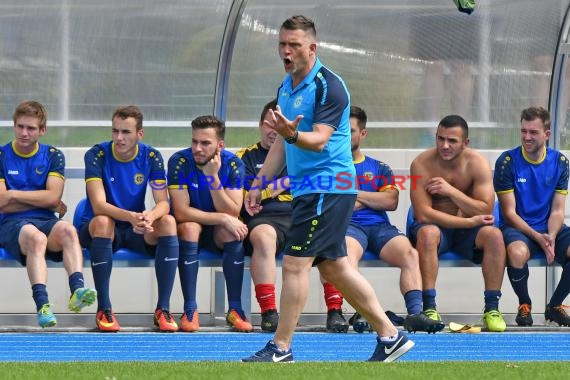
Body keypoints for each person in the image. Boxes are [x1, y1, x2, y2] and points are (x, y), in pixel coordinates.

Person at [242, 15, 414, 362]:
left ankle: (281, 347)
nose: (286, 52)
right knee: (334, 267)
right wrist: (260, 183)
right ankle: (390, 336)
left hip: (328, 187)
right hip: (311, 189)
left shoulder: (328, 86)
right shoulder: (287, 86)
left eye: (294, 45)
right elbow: (281, 145)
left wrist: (291, 134)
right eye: (282, 45)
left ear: (312, 48)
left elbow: (318, 141)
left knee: (293, 264)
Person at [321, 106, 445, 334]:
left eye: (350, 131)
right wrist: (371, 198)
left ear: (363, 134)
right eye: (340, 131)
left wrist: (353, 193)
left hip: (379, 227)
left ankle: (415, 314)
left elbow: (391, 201)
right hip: (349, 226)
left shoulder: (379, 168)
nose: (344, 136)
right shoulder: (328, 166)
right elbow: (332, 203)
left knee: (410, 254)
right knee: (346, 257)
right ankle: (364, 312)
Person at [78, 105, 179, 332]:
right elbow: (98, 205)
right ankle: (104, 309)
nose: (119, 138)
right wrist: (131, 217)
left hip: (134, 228)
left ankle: (163, 309)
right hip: (99, 228)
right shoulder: (97, 155)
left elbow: (163, 202)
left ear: (139, 134)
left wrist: (149, 217)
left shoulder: (152, 156)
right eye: (115, 131)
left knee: (168, 222)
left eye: (126, 132)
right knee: (104, 221)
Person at [0, 100, 97, 327]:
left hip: (45, 220)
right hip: (10, 224)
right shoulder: (2, 155)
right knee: (36, 237)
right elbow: (2, 204)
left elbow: (53, 198)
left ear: (42, 130)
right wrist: (44, 200)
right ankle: (42, 305)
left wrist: (14, 195)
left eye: (31, 128)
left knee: (68, 230)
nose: (24, 133)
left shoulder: (53, 156)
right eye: (20, 127)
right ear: (14, 126)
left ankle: (77, 290)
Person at [408, 114, 507, 332]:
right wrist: (468, 221)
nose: (445, 145)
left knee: (495, 236)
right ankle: (429, 307)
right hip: (438, 231)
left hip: (467, 233)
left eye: (452, 140)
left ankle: (492, 308)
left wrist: (450, 191)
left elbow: (486, 209)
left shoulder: (478, 163)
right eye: (440, 138)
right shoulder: (420, 164)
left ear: (465, 143)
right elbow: (423, 214)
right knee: (427, 233)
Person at [167, 115, 253, 333]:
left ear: (220, 145)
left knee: (233, 233)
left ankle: (235, 309)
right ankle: (190, 309)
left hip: (217, 232)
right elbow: (181, 211)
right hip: (190, 227)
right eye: (194, 141)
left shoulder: (233, 163)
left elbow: (233, 210)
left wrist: (213, 178)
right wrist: (223, 218)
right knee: (189, 227)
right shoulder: (179, 161)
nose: (198, 148)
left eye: (205, 143)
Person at [494, 106, 570, 327]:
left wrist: (552, 236)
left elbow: (557, 210)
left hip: (549, 228)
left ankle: (555, 306)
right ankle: (524, 304)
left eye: (533, 132)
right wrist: (538, 237)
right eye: (523, 131)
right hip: (518, 228)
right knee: (516, 253)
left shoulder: (560, 162)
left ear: (546, 134)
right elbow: (509, 213)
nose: (527, 137)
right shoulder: (507, 161)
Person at [235, 98, 291, 332]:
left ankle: (335, 311)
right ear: (260, 125)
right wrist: (277, 186)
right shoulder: (244, 156)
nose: (273, 131)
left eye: (279, 125)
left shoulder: (302, 155)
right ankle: (269, 312)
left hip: (300, 215)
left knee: (332, 236)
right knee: (264, 237)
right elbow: (246, 194)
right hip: (264, 219)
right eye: (269, 124)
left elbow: (318, 182)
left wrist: (284, 183)